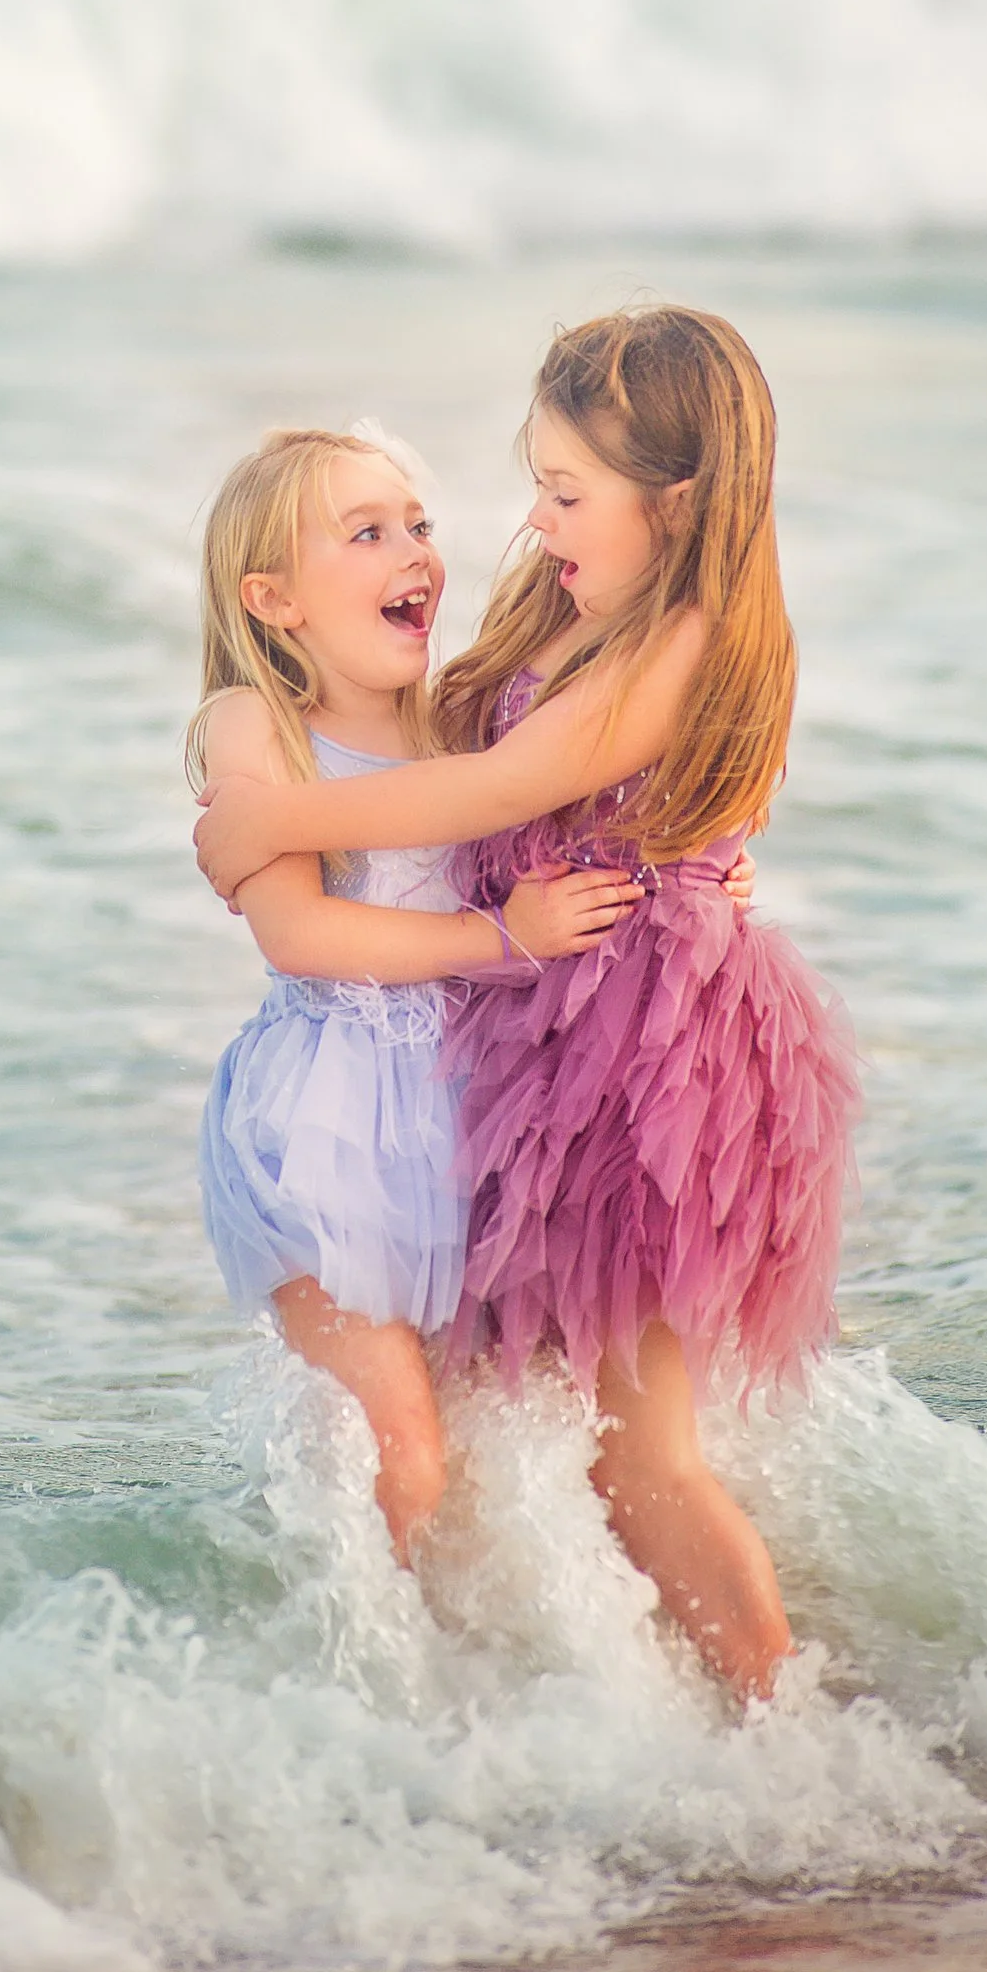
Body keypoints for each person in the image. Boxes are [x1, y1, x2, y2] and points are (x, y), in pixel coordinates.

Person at [195, 313, 856, 1698]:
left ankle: (777, 1727)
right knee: (557, 1430)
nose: (533, 517)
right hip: (545, 1049)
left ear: (670, 501)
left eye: (564, 492)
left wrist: (266, 820)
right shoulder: (591, 602)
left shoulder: (683, 627)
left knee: (641, 1448)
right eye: (537, 484)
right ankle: (548, 1700)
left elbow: (505, 790)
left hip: (637, 1065)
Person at [190, 428, 639, 1562]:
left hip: (454, 1115)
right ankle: (358, 1688)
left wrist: (706, 876)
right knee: (408, 1455)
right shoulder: (257, 723)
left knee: (502, 1449)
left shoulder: (454, 720)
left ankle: (473, 1676)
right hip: (318, 1127)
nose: (416, 555)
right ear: (273, 597)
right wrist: (494, 940)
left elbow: (580, 803)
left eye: (420, 526)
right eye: (369, 532)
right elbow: (297, 933)